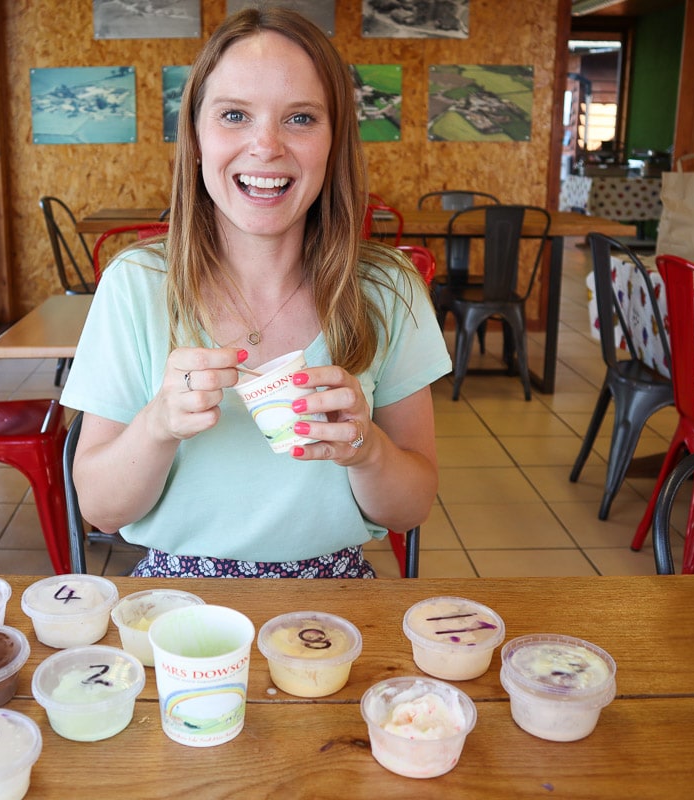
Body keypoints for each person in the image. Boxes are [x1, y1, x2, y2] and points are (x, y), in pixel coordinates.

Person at [59, 8, 451, 578]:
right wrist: (158, 425)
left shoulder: (390, 291)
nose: (265, 146)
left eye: (300, 119)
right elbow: (100, 509)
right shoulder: (135, 285)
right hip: (174, 598)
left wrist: (367, 449)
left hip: (336, 597)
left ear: (334, 142)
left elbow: (411, 507)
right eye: (235, 115)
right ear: (195, 137)